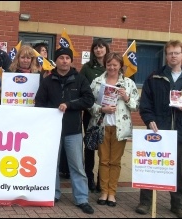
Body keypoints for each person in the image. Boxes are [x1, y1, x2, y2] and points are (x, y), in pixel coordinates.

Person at [136, 40, 182, 218]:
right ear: (166, 56)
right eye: (170, 53)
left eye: (176, 52)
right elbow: (145, 104)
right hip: (158, 131)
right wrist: (149, 120)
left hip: (180, 132)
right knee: (151, 167)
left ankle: (178, 205)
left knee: (178, 170)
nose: (173, 56)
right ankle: (145, 202)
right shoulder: (154, 77)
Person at [35, 47, 95, 214]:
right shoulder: (47, 80)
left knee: (77, 166)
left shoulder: (80, 79)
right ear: (57, 60)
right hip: (52, 131)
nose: (64, 61)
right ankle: (52, 194)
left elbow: (89, 100)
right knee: (51, 165)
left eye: (67, 58)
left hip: (73, 130)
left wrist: (70, 105)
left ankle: (82, 198)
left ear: (70, 60)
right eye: (61, 58)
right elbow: (39, 103)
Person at [88, 52, 139, 207]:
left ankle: (112, 193)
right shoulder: (97, 82)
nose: (112, 67)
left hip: (120, 128)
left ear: (120, 66)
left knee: (115, 162)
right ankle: (103, 192)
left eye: (115, 64)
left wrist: (126, 98)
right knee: (103, 161)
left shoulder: (128, 83)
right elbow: (89, 103)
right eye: (109, 64)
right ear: (105, 65)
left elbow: (136, 106)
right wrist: (101, 109)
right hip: (102, 126)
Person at [79, 38, 110, 192]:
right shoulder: (87, 68)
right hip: (91, 113)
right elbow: (81, 88)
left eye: (102, 47)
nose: (99, 50)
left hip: (109, 115)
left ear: (106, 49)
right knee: (90, 147)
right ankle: (88, 178)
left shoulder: (111, 66)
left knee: (105, 147)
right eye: (96, 48)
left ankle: (102, 181)